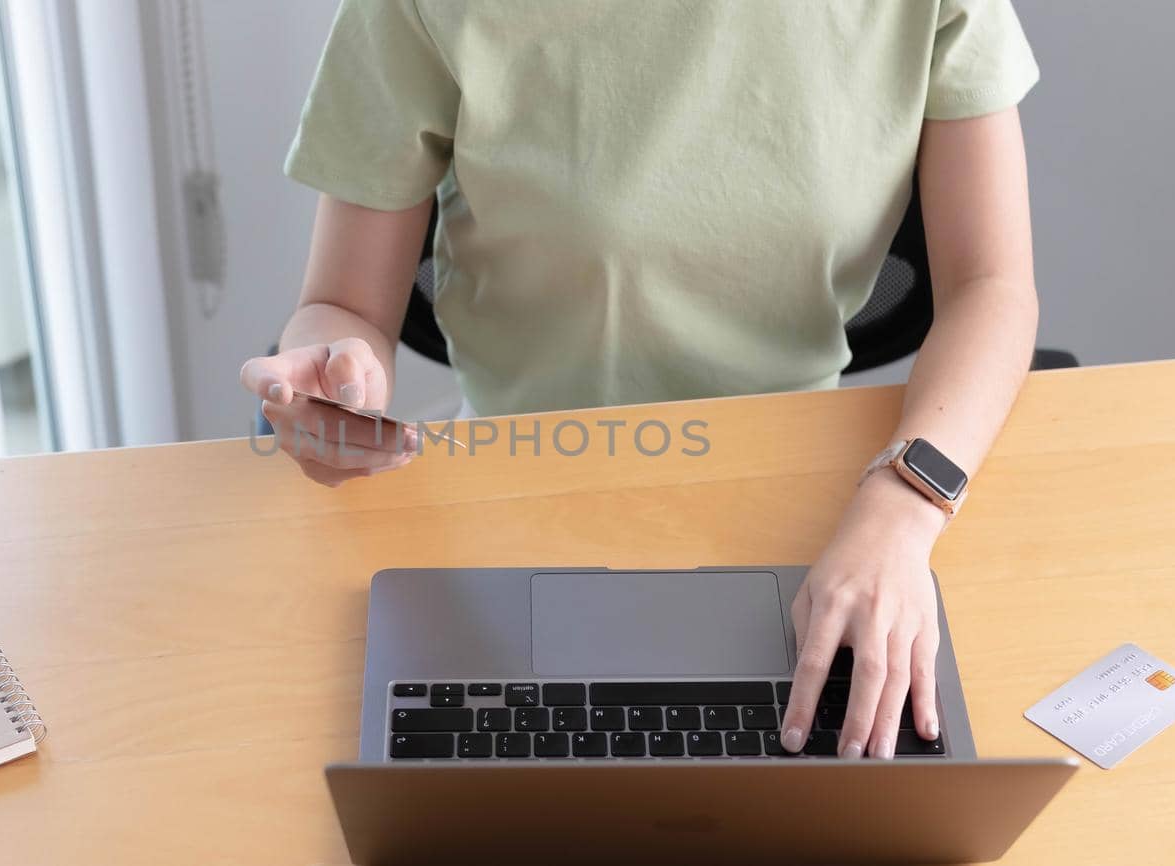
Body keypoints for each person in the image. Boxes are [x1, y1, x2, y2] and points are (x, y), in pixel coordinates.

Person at [240, 1, 1040, 761]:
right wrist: (327, 384)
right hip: (513, 499)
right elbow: (341, 306)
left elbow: (991, 288)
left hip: (826, 509)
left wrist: (905, 508)